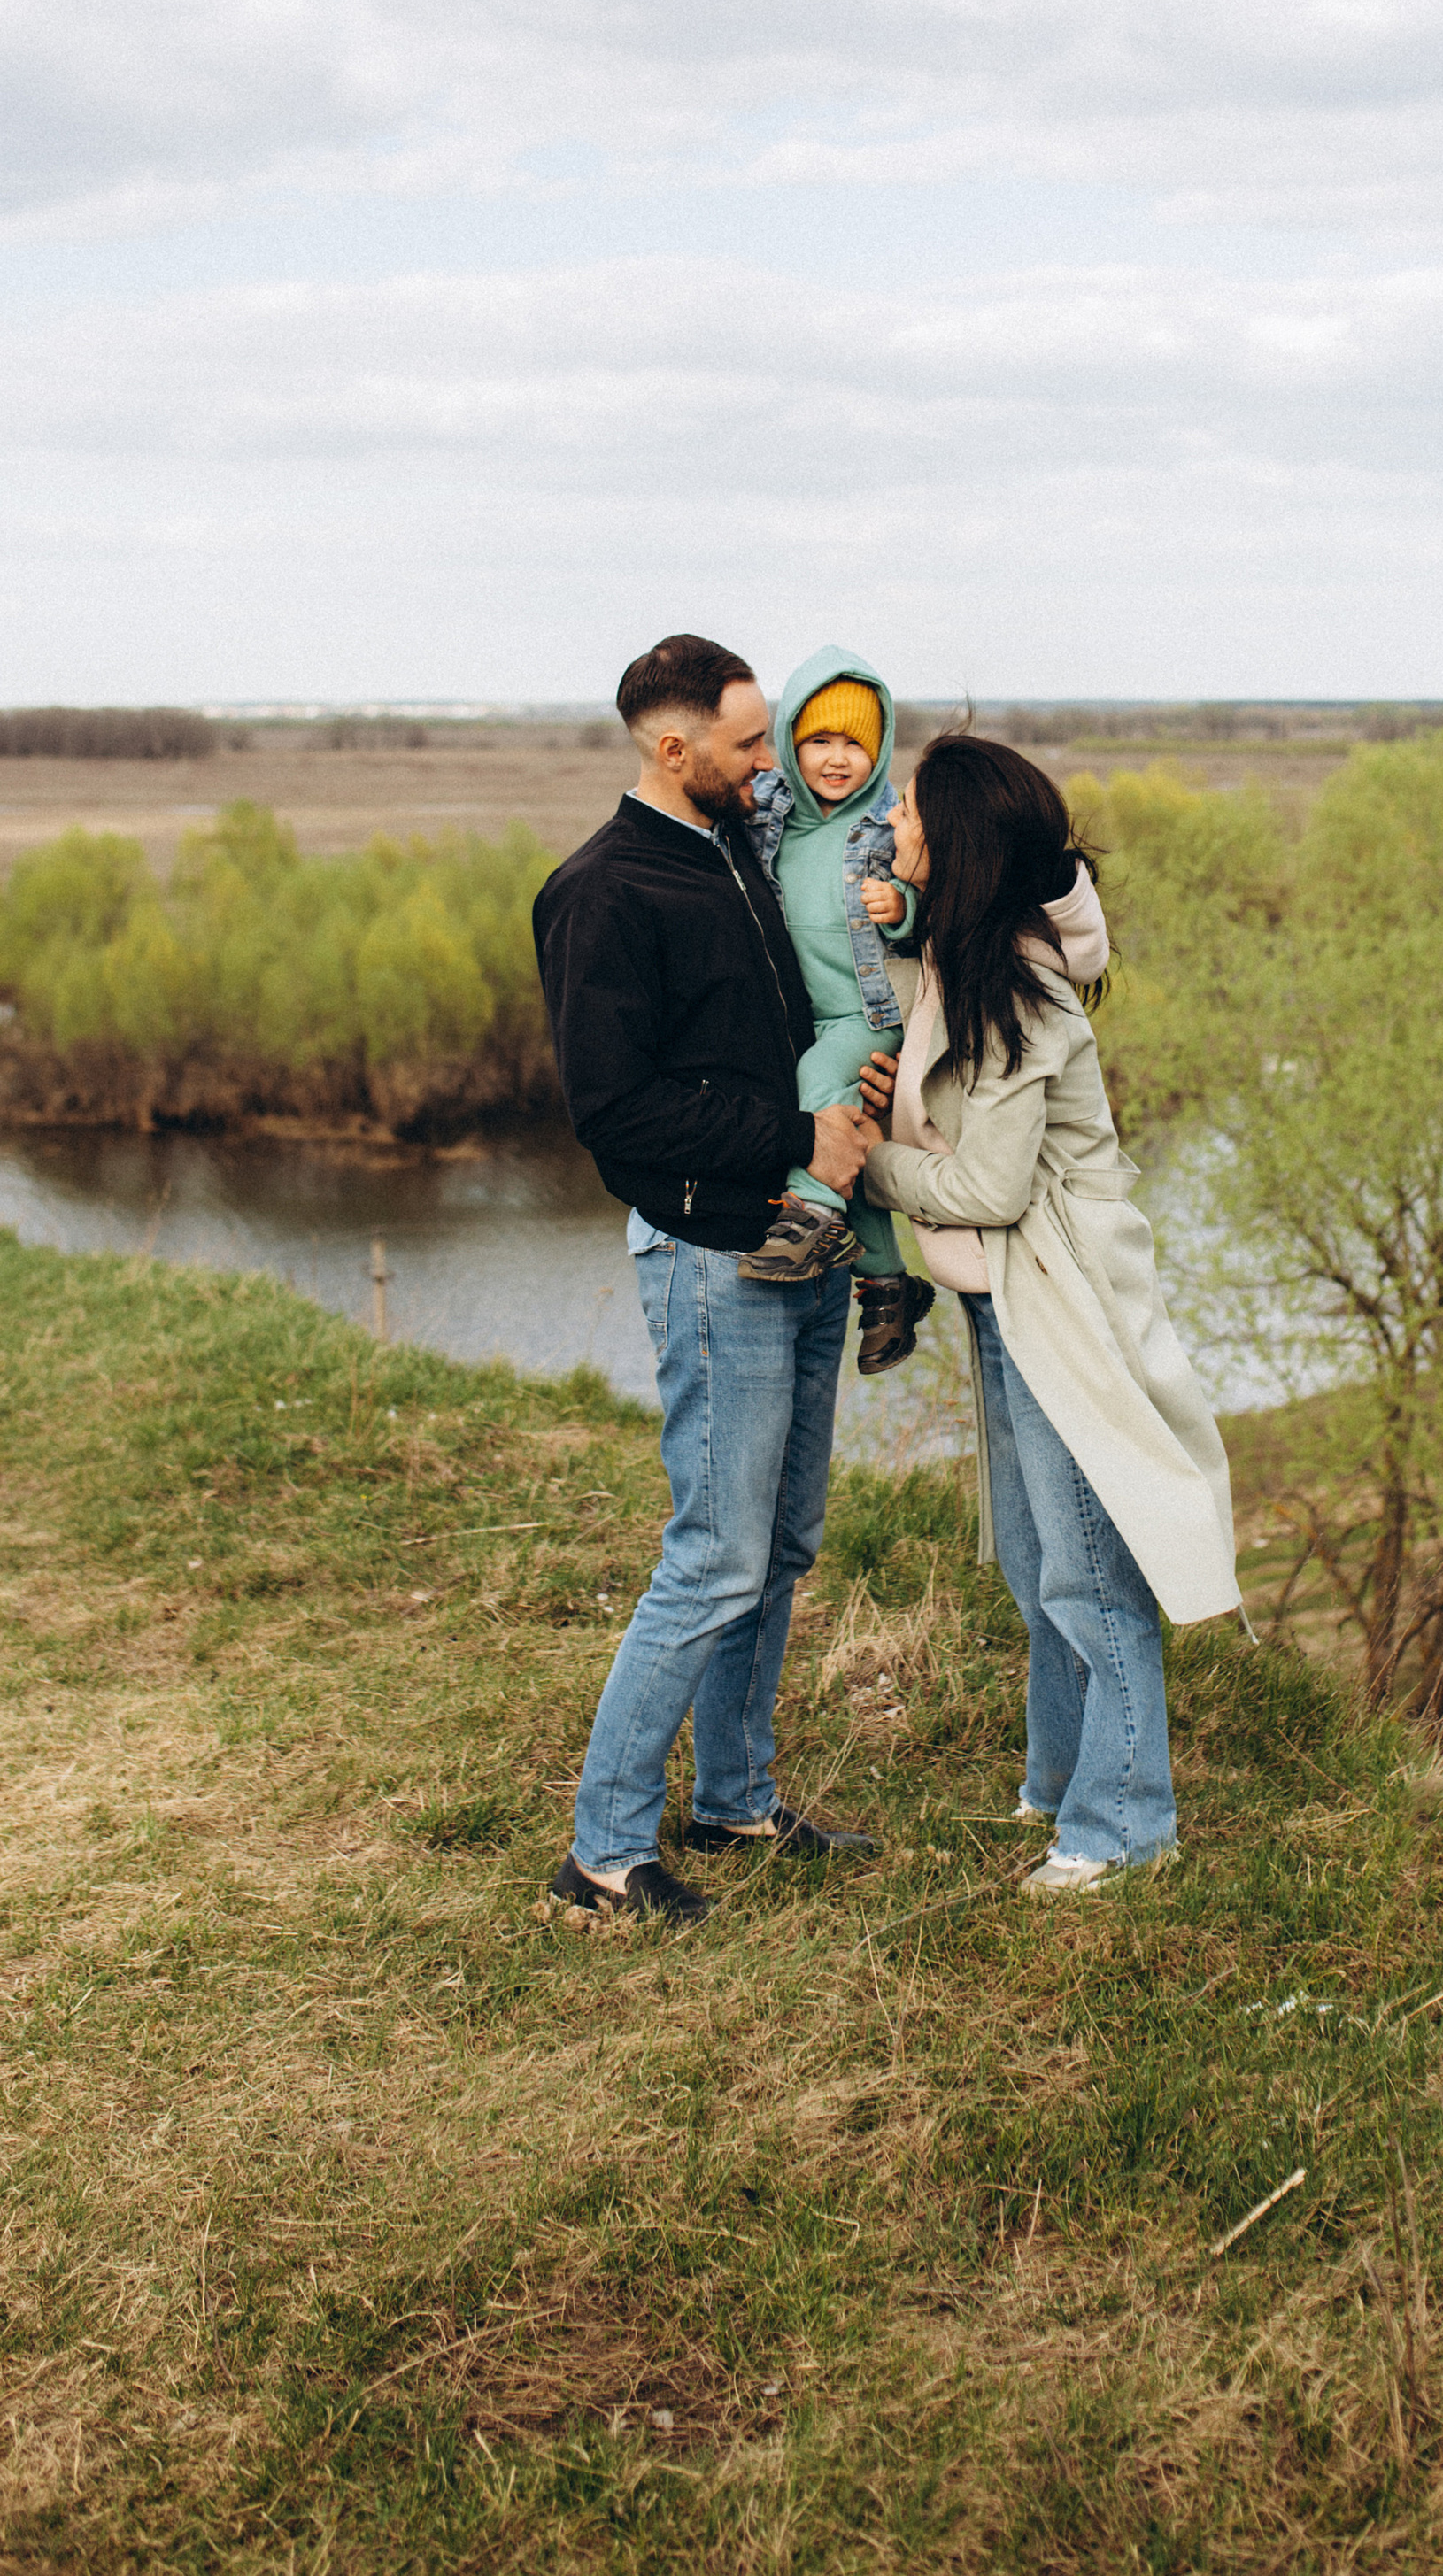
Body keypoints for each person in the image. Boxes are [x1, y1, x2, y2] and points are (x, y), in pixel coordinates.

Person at [529, 632, 883, 1932]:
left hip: (807, 1243)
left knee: (780, 1546)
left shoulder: (740, 847)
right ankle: (603, 1860)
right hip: (711, 1256)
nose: (767, 762)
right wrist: (797, 1139)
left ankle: (735, 1801)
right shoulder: (603, 894)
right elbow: (614, 1117)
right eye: (746, 743)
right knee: (715, 1555)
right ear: (673, 750)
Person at [856, 735, 1240, 1895]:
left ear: (957, 838)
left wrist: (871, 1165)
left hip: (1055, 1297)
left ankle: (1124, 1825)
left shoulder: (1017, 992)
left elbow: (990, 1188)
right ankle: (1059, 1782)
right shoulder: (962, 958)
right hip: (1001, 1298)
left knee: (1084, 1568)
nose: (894, 825)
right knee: (1033, 1562)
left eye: (912, 810)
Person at [736, 646, 937, 1381]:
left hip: (868, 1011)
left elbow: (942, 912)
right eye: (819, 739)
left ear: (880, 747)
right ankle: (888, 1287)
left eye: (856, 742)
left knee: (821, 1083)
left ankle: (806, 1216)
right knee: (844, 1129)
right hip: (802, 1013)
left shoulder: (893, 822)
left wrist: (904, 906)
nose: (836, 758)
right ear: (791, 739)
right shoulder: (772, 819)